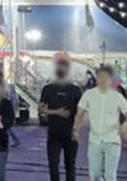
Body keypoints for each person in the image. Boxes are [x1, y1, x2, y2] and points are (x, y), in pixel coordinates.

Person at [73, 65, 127, 181]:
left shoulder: (118, 97)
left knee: (110, 176)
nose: (102, 80)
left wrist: (125, 126)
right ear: (96, 78)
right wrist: (76, 129)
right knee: (94, 175)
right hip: (94, 141)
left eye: (105, 77)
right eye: (99, 77)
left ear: (111, 79)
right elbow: (79, 114)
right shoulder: (89, 94)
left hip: (112, 140)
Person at [39, 52, 82, 181]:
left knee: (70, 166)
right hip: (53, 135)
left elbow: (80, 112)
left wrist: (76, 130)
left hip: (70, 135)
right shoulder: (47, 89)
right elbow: (40, 109)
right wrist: (57, 112)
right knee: (53, 166)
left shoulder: (75, 90)